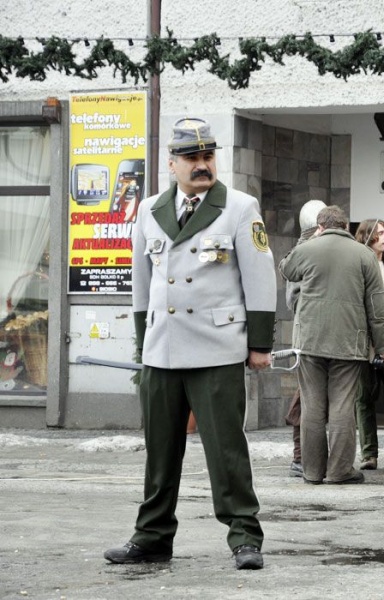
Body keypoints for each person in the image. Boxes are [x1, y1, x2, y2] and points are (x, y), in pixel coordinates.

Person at [105, 117, 276, 570]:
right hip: (162, 349)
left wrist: (259, 344)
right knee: (160, 453)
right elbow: (141, 285)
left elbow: (260, 278)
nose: (202, 165)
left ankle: (245, 536)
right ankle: (152, 536)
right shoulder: (149, 210)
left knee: (226, 451)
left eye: (208, 156)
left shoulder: (239, 207)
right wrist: (142, 347)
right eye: (192, 158)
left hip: (217, 347)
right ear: (172, 164)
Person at [281, 205, 384, 485]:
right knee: (343, 405)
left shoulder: (308, 248)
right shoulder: (364, 255)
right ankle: (339, 470)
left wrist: (309, 240)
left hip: (309, 340)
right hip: (349, 341)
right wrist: (383, 347)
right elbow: (377, 306)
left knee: (312, 405)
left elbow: (286, 269)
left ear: (320, 227)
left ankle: (312, 471)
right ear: (346, 227)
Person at [278, 199, 328, 478]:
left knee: (315, 397)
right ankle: (300, 456)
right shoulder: (300, 253)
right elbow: (294, 299)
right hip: (308, 335)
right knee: (305, 396)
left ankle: (307, 456)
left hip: (323, 334)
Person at [353, 218, 384, 471]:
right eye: (380, 233)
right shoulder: (357, 266)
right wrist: (381, 309)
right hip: (364, 341)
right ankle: (369, 454)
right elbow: (353, 302)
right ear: (367, 236)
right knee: (363, 398)